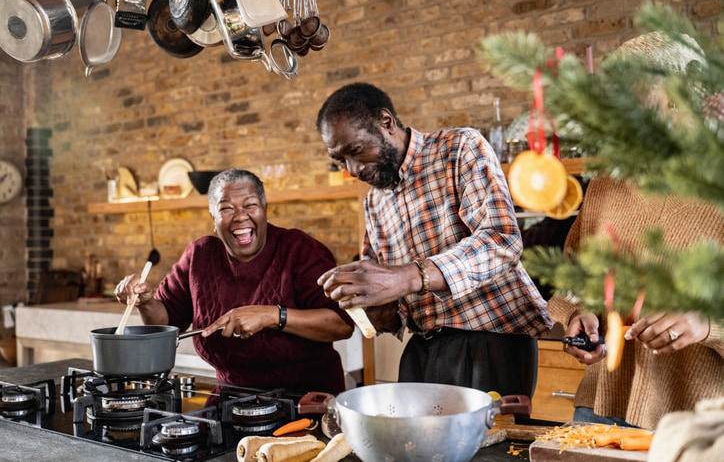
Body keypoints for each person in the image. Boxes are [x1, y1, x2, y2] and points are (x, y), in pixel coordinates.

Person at [315, 82, 552, 400]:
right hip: (424, 346)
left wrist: (409, 276)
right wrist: (369, 304)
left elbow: (500, 241)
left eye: (356, 151)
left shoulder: (459, 148)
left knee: (489, 448)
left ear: (387, 122)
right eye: (339, 159)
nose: (352, 169)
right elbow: (392, 305)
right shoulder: (374, 201)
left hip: (490, 337)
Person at [115, 169, 355, 394]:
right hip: (231, 399)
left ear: (264, 209)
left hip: (306, 398)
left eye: (250, 205)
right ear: (213, 218)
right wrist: (145, 302)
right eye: (227, 208)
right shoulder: (199, 255)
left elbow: (342, 324)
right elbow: (165, 323)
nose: (241, 216)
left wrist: (273, 316)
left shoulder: (300, 250)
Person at [547, 176, 724, 430]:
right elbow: (572, 274)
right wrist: (577, 313)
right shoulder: (605, 182)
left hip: (693, 423)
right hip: (596, 409)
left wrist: (707, 323)